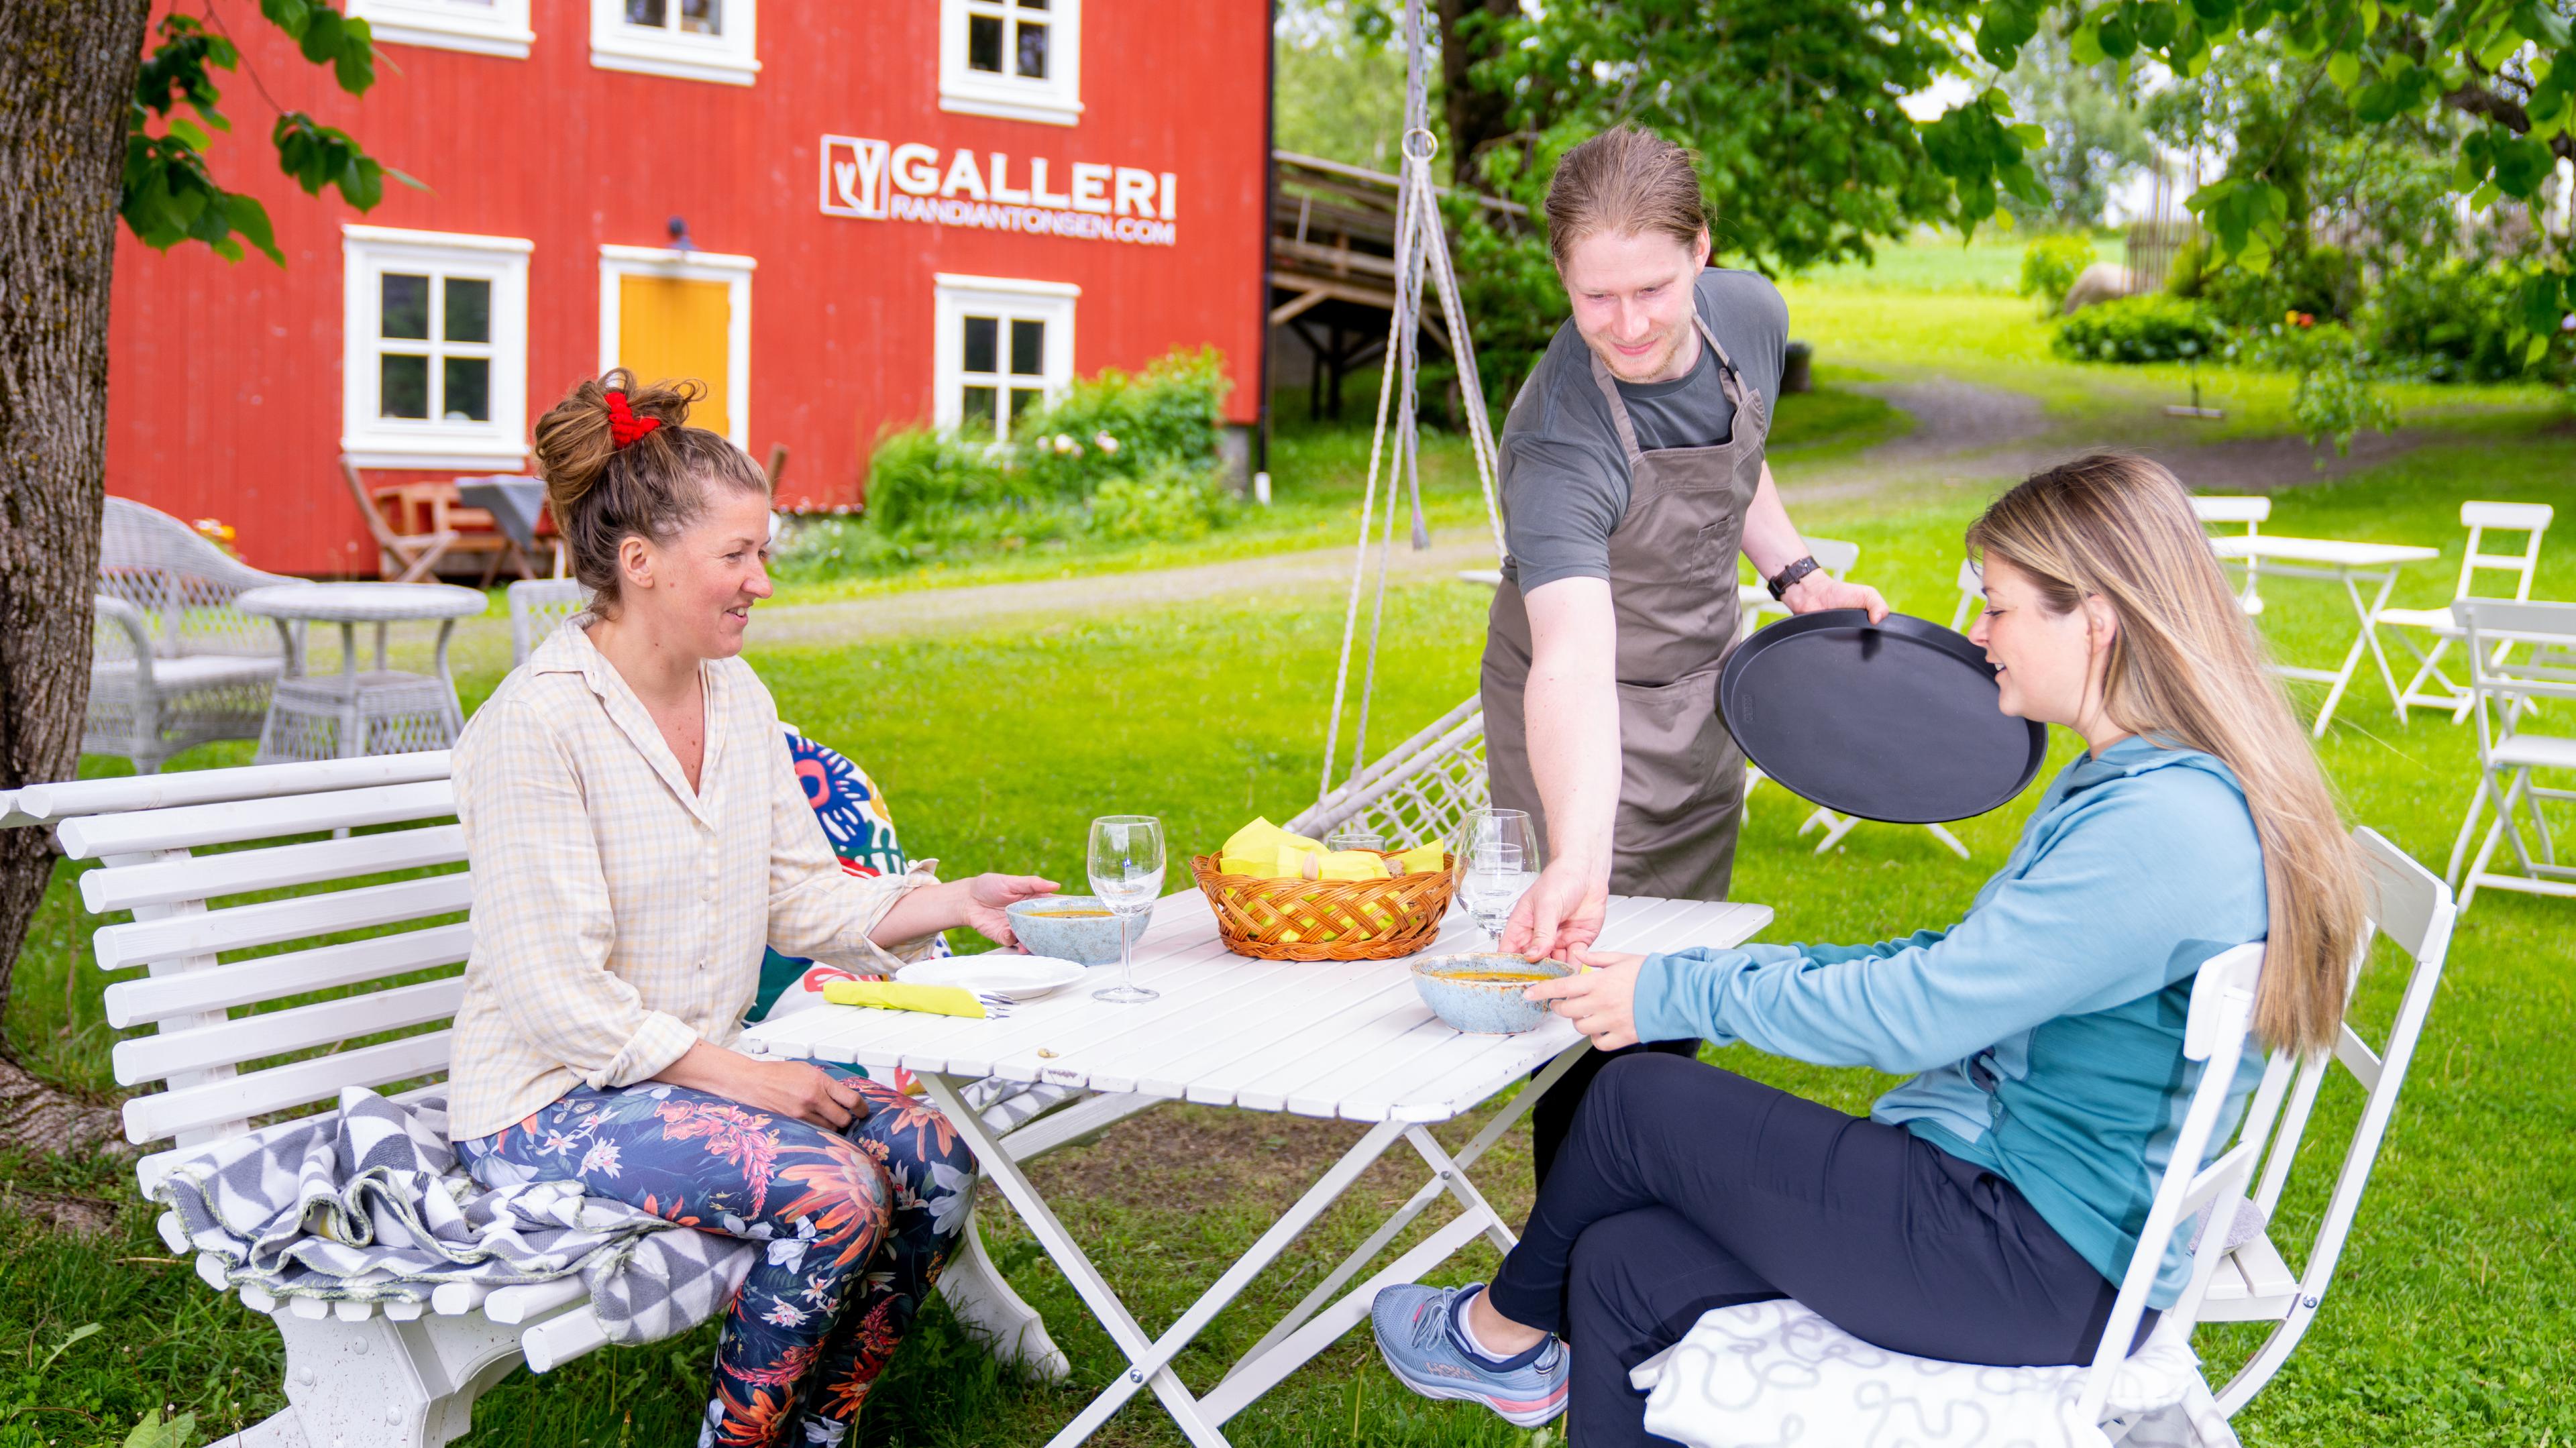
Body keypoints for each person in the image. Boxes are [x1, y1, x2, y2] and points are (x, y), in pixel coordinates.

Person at [1375, 454, 2367, 1443]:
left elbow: (1927, 1010)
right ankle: (1508, 1337)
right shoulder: (2139, 785)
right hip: (2019, 1215)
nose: (1979, 636)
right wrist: (1715, 977)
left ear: (2097, 620)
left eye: (2001, 607)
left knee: (1637, 1101)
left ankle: (1497, 1334)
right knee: (1622, 1266)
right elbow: (1958, 963)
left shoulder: (2158, 827)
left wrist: (1678, 996)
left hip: (2038, 1257)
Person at [444, 370, 1059, 1448]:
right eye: (738, 556)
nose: (762, 583)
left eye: (761, 554)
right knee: (835, 1189)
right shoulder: (537, 725)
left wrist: (948, 898)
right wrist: (755, 1079)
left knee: (935, 1160)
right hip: (546, 1102)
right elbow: (558, 1002)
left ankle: (819, 1431)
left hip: (686, 1077)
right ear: (639, 564)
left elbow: (795, 891)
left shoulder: (739, 698)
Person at [1479, 126, 1888, 1181]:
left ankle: (1644, 1218)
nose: (1627, 326)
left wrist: (1799, 578)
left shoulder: (1750, 316)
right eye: (1594, 299)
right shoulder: (1559, 438)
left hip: (1701, 687)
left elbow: (1737, 459)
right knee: (1581, 1005)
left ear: (1702, 249)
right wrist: (1577, 852)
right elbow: (1570, 659)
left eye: (1652, 290)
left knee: (1675, 977)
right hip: (1577, 716)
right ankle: (1566, 1267)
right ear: (1562, 281)